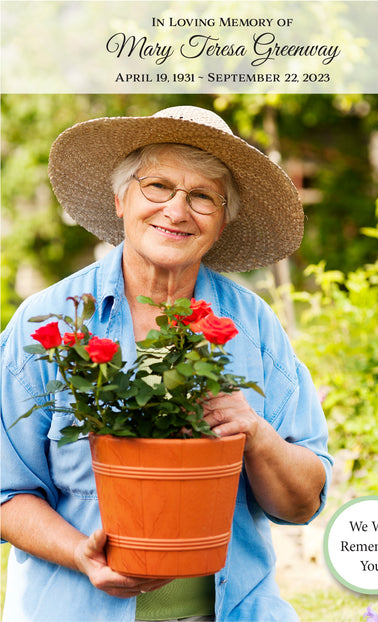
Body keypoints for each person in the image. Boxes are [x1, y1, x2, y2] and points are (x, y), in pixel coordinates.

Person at [1, 105, 333, 622]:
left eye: (203, 196)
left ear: (223, 222)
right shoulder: (46, 324)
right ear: (121, 199)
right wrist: (80, 556)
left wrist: (256, 434)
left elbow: (302, 502)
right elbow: (6, 493)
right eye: (157, 186)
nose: (177, 211)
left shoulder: (254, 326)